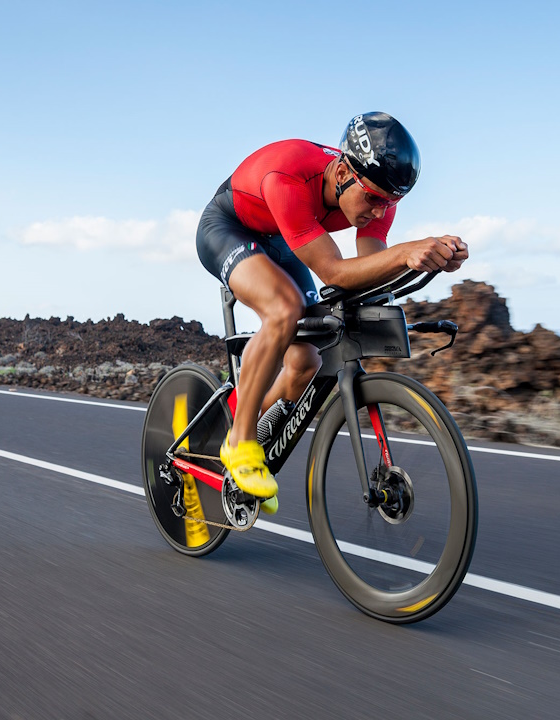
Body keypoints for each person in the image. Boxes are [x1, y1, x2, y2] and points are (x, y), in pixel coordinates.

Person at [196, 112, 468, 514]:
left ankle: (244, 421)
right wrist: (407, 251)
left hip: (283, 238)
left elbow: (370, 274)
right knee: (283, 310)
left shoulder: (380, 196)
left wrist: (425, 260)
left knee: (307, 359)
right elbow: (335, 271)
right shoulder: (287, 178)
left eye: (390, 204)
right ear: (342, 172)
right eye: (373, 199)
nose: (380, 212)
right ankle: (240, 443)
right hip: (228, 228)